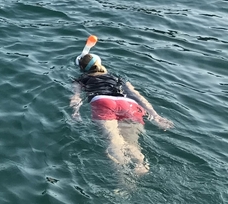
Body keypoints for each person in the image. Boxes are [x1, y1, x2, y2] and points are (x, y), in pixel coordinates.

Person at [69, 36, 172, 176]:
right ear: (100, 64)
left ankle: (123, 181)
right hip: (129, 104)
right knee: (132, 144)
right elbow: (136, 95)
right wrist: (155, 115)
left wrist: (76, 112)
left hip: (103, 101)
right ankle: (141, 164)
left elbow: (76, 97)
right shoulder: (118, 78)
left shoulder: (81, 79)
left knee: (114, 141)